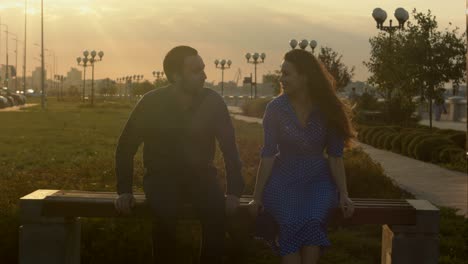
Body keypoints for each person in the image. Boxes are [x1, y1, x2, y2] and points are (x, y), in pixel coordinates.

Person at [114, 46, 244, 264]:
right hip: (161, 178)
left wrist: (234, 192)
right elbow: (125, 147)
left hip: (202, 176)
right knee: (165, 216)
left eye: (203, 69)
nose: (204, 75)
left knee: (216, 215)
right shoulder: (151, 102)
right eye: (196, 70)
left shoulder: (213, 102)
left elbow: (230, 149)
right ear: (175, 76)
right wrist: (124, 191)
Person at [249, 49, 355, 264]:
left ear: (305, 76)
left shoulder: (328, 109)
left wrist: (344, 194)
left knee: (312, 222)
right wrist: (256, 196)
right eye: (282, 73)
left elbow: (335, 156)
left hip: (318, 180)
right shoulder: (275, 109)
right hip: (282, 180)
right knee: (289, 222)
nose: (281, 78)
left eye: (287, 73)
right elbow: (268, 154)